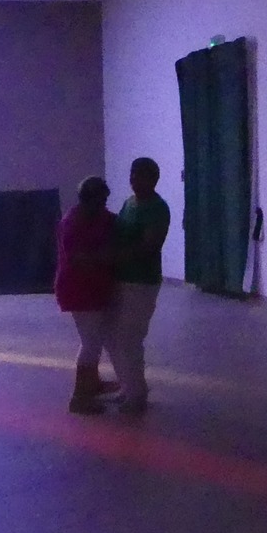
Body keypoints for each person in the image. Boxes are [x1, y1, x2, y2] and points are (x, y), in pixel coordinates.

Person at [109, 156, 171, 416]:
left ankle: (136, 394)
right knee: (115, 336)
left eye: (140, 175)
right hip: (121, 279)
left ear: (153, 179)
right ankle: (129, 385)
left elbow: (149, 246)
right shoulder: (129, 203)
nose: (134, 180)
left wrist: (112, 257)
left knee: (130, 338)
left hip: (142, 281)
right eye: (132, 174)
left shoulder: (157, 209)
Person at [55, 176, 120, 414]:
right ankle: (79, 397)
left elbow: (113, 222)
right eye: (100, 201)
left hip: (93, 288)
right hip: (78, 289)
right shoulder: (71, 223)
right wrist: (107, 257)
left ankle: (92, 383)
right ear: (87, 200)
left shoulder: (99, 217)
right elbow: (77, 259)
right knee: (91, 342)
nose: (103, 205)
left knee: (94, 340)